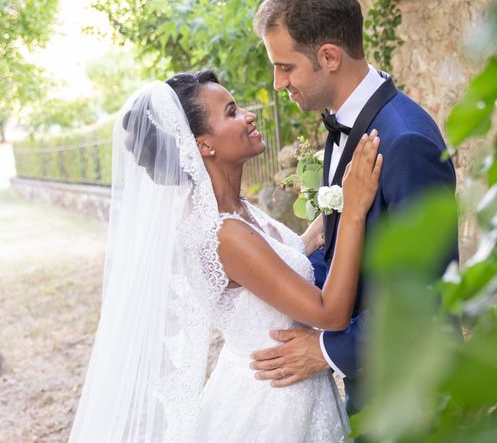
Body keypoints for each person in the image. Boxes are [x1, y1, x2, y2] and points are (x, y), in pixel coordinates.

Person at [68, 70, 382, 442]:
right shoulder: (224, 233)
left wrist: (336, 205)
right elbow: (329, 312)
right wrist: (357, 211)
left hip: (287, 391)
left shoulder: (233, 208)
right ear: (203, 146)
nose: (249, 116)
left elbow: (277, 262)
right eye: (232, 113)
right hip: (272, 407)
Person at [249, 0, 458, 412]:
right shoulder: (344, 125)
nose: (277, 83)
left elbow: (429, 296)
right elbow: (339, 243)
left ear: (328, 56)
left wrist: (325, 351)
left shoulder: (405, 142)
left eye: (285, 67)